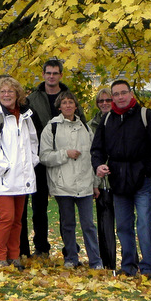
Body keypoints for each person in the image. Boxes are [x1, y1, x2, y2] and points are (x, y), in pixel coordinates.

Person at [90, 80, 151, 277]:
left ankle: (148, 267)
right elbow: (97, 149)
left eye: (123, 93)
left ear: (131, 93)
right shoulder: (107, 120)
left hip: (141, 180)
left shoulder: (145, 115)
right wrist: (98, 165)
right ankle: (128, 267)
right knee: (123, 226)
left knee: (144, 224)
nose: (119, 97)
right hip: (118, 180)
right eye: (116, 94)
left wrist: (147, 170)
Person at [27, 59, 85, 258]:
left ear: (61, 75)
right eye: (48, 73)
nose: (51, 76)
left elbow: (81, 125)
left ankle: (70, 248)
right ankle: (41, 247)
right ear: (43, 74)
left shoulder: (69, 98)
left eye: (55, 73)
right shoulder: (32, 99)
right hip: (41, 159)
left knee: (66, 207)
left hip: (66, 161)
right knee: (39, 206)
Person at [0, 76, 39, 269]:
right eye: (3, 92)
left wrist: (32, 161)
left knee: (17, 219)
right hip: (3, 178)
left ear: (17, 94)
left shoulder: (25, 116)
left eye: (10, 91)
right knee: (6, 217)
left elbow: (32, 142)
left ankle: (14, 256)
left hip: (21, 177)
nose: (6, 95)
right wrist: (5, 167)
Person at [40, 91, 103, 269]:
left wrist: (95, 184)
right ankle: (71, 258)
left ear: (76, 106)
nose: (68, 105)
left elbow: (93, 157)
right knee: (67, 224)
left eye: (71, 102)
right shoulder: (51, 127)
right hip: (63, 184)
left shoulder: (85, 127)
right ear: (59, 107)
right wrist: (65, 154)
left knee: (88, 225)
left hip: (84, 183)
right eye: (64, 103)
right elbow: (44, 156)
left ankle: (95, 260)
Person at [88, 88, 116, 271]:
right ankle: (108, 263)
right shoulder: (90, 126)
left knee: (125, 224)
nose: (105, 103)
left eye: (108, 100)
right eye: (101, 101)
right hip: (101, 182)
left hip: (122, 181)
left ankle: (132, 261)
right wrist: (94, 183)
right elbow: (90, 156)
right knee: (104, 224)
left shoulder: (121, 121)